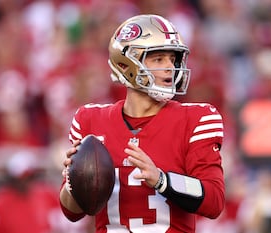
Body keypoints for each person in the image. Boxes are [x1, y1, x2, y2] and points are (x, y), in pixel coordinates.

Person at [58, 14, 225, 233]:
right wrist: (75, 182)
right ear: (127, 64)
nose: (170, 67)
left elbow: (214, 200)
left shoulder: (196, 118)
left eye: (173, 59)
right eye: (158, 59)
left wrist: (162, 180)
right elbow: (71, 212)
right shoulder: (90, 120)